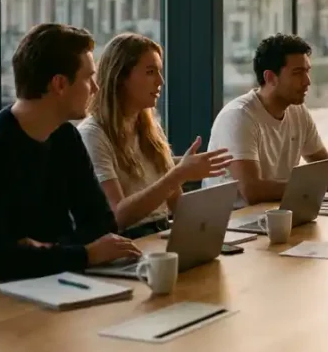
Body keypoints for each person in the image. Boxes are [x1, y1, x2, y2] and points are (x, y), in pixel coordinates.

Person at [0, 24, 142, 290]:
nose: (95, 88)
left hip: (45, 284)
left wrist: (46, 251)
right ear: (59, 84)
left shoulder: (65, 137)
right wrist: (85, 253)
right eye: (88, 78)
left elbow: (101, 224)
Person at [77, 33, 232, 238]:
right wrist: (179, 174)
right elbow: (118, 217)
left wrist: (209, 228)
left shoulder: (150, 128)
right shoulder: (93, 134)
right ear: (120, 77)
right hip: (130, 241)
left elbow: (177, 205)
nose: (160, 81)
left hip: (162, 234)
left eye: (160, 72)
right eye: (151, 72)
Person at [205, 34, 328, 206]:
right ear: (270, 78)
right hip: (232, 224)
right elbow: (252, 191)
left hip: (276, 213)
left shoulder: (298, 111)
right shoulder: (239, 116)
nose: (307, 81)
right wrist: (324, 183)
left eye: (307, 71)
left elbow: (324, 166)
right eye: (298, 73)